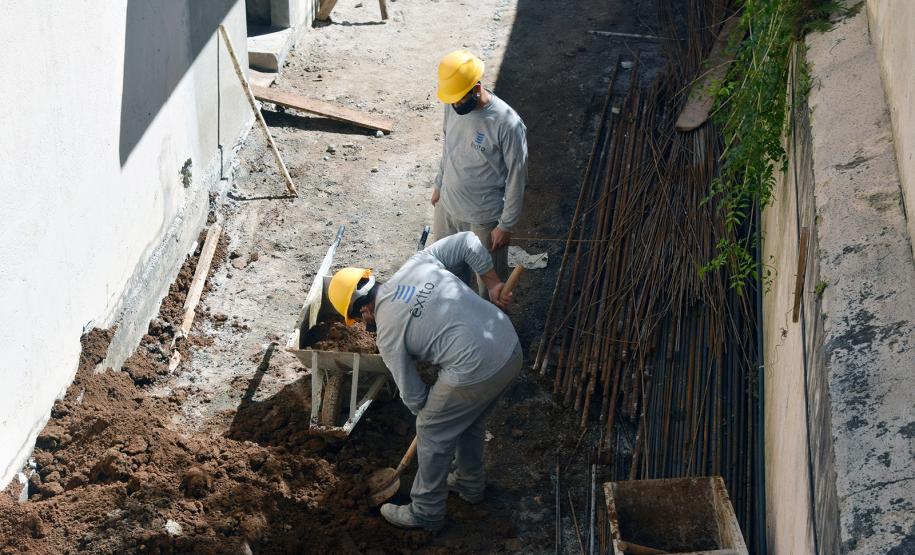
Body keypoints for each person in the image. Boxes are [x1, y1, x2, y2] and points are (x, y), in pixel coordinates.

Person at [327, 232, 523, 532]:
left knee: (431, 428)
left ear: (362, 310)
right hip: (509, 346)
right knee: (466, 418)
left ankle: (425, 512)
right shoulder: (416, 264)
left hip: (477, 366)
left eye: (359, 321)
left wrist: (433, 421)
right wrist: (494, 282)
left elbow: (414, 396)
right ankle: (470, 484)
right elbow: (468, 240)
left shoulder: (388, 335)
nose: (365, 326)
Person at [432, 49, 528, 298]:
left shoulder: (507, 124)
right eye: (451, 99)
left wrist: (505, 225)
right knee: (447, 281)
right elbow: (448, 144)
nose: (455, 105)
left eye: (460, 99)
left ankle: (494, 335)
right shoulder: (451, 104)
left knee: (490, 293)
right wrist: (439, 184)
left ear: (476, 87)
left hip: (484, 220)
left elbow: (517, 177)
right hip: (448, 209)